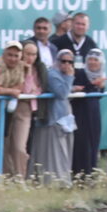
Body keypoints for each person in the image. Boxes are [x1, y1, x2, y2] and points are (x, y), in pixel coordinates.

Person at [30, 50, 76, 185]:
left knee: (64, 154)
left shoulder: (61, 75)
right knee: (53, 154)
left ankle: (62, 181)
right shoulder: (52, 74)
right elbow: (62, 93)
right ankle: (53, 182)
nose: (66, 64)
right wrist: (69, 77)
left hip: (64, 120)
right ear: (57, 61)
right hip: (53, 120)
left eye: (70, 62)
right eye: (63, 61)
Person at [0, 42, 32, 177]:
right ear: (4, 54)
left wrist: (8, 91)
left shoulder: (21, 66)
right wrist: (10, 91)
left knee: (18, 146)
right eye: (10, 55)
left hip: (10, 109)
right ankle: (4, 177)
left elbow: (20, 86)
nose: (13, 58)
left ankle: (19, 177)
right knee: (1, 144)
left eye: (16, 56)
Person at [72, 49, 107, 178]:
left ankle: (91, 174)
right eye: (90, 59)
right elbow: (78, 90)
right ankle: (79, 175)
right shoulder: (80, 73)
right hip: (80, 114)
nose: (92, 63)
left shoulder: (101, 75)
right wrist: (92, 85)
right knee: (81, 143)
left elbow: (98, 96)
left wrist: (99, 86)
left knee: (93, 143)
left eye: (96, 60)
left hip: (94, 114)